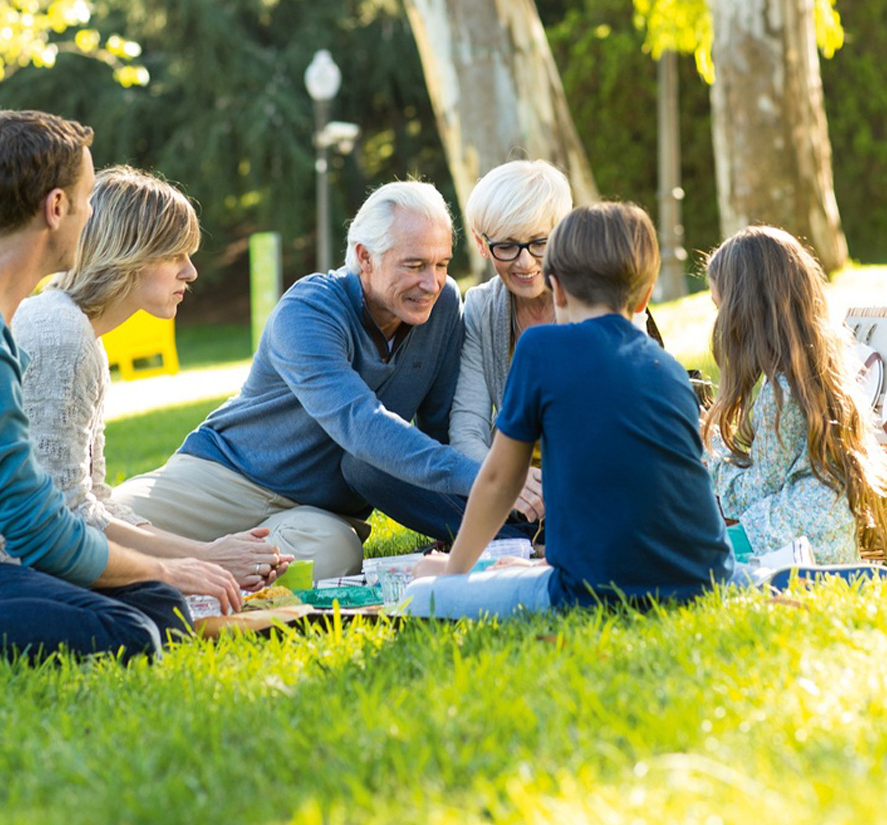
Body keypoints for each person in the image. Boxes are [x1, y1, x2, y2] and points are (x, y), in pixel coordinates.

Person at [113, 181, 534, 580]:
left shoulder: (441, 307)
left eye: (442, 264)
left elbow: (439, 427)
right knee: (106, 522)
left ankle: (203, 572)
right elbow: (361, 424)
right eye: (415, 265)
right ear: (365, 257)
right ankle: (197, 564)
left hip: (315, 514)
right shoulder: (309, 310)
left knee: (337, 555)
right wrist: (491, 477)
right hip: (226, 478)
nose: (432, 282)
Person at [407, 201, 735, 618]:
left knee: (422, 586)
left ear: (556, 287)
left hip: (588, 590)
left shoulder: (541, 349)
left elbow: (498, 481)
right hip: (704, 579)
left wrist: (451, 574)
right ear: (645, 297)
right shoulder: (669, 370)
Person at [0, 110, 240, 662]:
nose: (94, 217)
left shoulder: (46, 325)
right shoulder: (59, 332)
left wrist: (193, 560)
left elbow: (62, 500)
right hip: (17, 562)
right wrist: (174, 565)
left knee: (156, 606)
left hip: (25, 553)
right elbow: (44, 528)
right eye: (88, 201)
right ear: (56, 209)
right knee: (141, 627)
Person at [10, 166, 290, 591]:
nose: (191, 272)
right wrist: (203, 558)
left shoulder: (79, 332)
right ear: (130, 253)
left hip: (40, 559)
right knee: (150, 619)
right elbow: (67, 514)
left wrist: (207, 554)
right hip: (18, 571)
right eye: (176, 254)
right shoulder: (62, 335)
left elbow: (94, 498)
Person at [703, 225, 887, 564]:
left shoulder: (781, 395)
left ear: (746, 311)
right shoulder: (813, 373)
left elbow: (754, 494)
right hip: (821, 537)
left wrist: (710, 452)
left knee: (684, 555)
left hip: (791, 549)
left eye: (721, 307)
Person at [449, 159, 574, 523]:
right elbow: (467, 429)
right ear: (481, 244)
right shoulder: (481, 308)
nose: (525, 263)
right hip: (513, 492)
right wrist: (510, 482)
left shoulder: (596, 296)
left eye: (539, 243)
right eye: (506, 247)